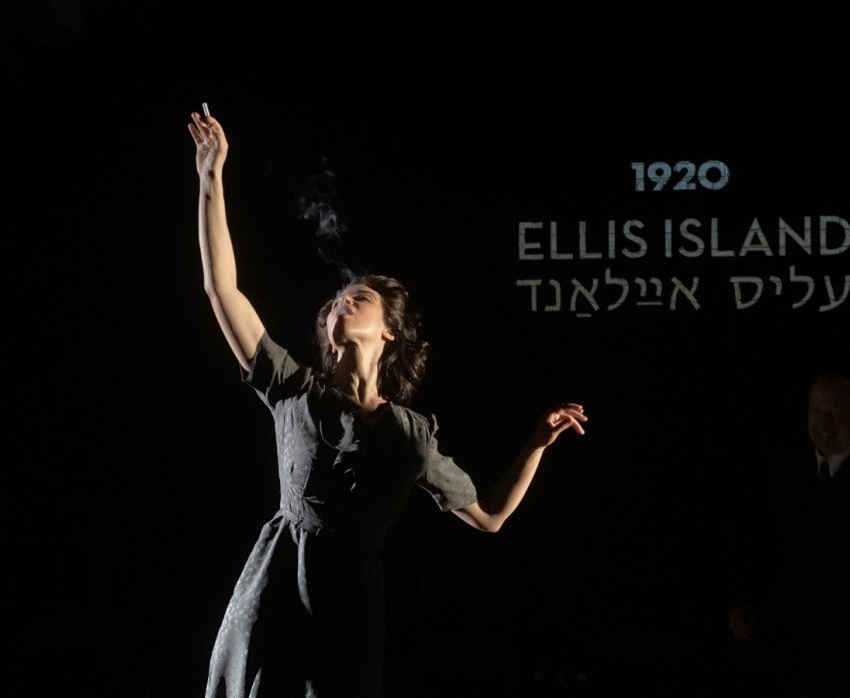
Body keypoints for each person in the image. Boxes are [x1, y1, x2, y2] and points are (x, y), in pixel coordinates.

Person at [188, 111, 589, 698]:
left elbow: (491, 516)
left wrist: (535, 443)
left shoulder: (411, 435)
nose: (343, 300)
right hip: (277, 587)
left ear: (391, 332)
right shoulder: (293, 389)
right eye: (339, 299)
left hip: (351, 605)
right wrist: (211, 177)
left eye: (361, 296)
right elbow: (222, 289)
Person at [724, 370, 850, 697]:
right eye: (816, 412)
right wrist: (740, 597)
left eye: (835, 415)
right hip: (779, 643)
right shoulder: (783, 466)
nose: (823, 425)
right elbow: (755, 539)